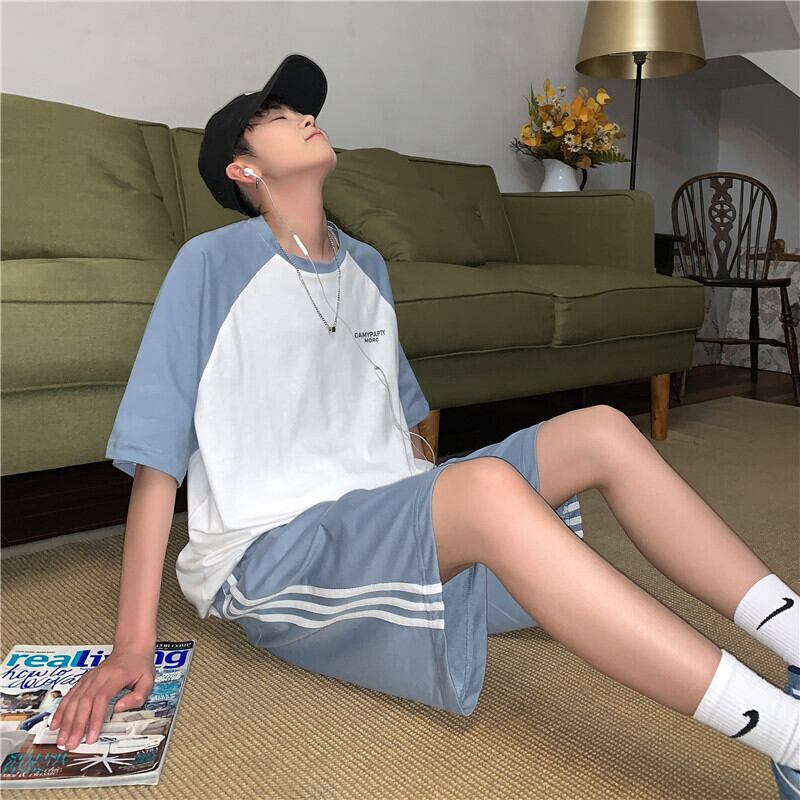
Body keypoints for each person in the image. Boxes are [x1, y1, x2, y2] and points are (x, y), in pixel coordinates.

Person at [48, 53, 799, 794]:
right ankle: (789, 738)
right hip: (277, 552)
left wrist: (449, 513)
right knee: (487, 489)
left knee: (601, 428)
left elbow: (403, 424)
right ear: (244, 169)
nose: (304, 117)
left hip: (389, 519)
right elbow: (158, 460)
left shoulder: (369, 267)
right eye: (275, 117)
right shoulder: (208, 265)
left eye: (302, 108)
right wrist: (132, 644)